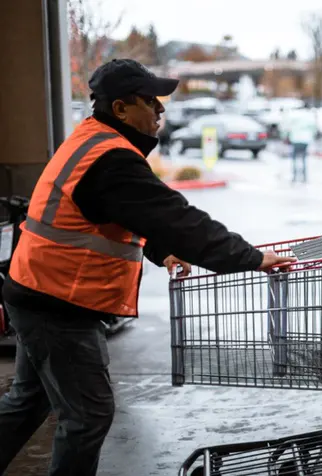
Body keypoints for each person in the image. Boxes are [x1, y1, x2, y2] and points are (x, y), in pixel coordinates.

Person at [0, 58, 295, 476]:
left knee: (27, 402)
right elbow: (175, 217)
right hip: (57, 302)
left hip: (35, 287)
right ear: (121, 108)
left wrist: (161, 250)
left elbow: (122, 214)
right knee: (88, 417)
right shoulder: (112, 159)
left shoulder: (93, 141)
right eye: (151, 101)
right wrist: (250, 257)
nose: (160, 110)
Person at [285, 117, 317, 183]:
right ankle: (304, 177)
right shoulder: (307, 120)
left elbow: (287, 131)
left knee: (294, 160)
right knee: (303, 159)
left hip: (295, 141)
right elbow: (314, 130)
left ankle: (294, 176)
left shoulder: (293, 121)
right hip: (305, 141)